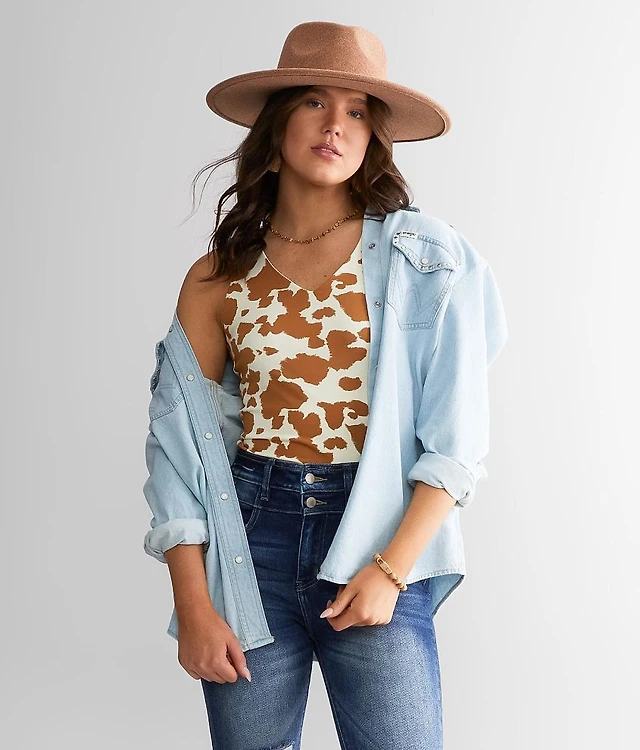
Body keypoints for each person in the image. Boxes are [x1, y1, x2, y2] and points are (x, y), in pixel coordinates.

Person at [142, 21, 508, 750]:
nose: (336, 125)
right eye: (314, 102)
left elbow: (457, 438)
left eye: (358, 111)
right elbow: (176, 450)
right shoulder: (217, 278)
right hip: (251, 545)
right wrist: (195, 604)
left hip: (377, 535)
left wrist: (390, 570)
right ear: (278, 123)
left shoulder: (424, 258)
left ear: (374, 137)